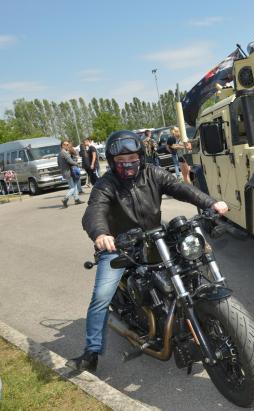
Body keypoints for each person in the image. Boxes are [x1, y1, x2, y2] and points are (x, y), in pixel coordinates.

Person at [66, 130, 228, 372]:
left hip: (155, 237)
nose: (127, 164)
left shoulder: (153, 173)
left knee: (193, 259)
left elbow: (180, 187)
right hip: (119, 245)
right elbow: (94, 210)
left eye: (131, 158)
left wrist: (209, 202)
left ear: (140, 156)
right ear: (112, 163)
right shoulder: (106, 184)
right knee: (101, 297)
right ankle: (91, 353)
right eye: (121, 161)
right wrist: (101, 234)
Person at [57, 140, 83, 207]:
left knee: (74, 185)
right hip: (69, 172)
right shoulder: (64, 153)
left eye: (68, 144)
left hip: (65, 172)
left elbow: (58, 164)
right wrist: (76, 163)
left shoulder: (59, 154)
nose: (68, 146)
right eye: (66, 144)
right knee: (73, 187)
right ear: (62, 145)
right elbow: (70, 162)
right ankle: (65, 199)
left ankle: (77, 199)